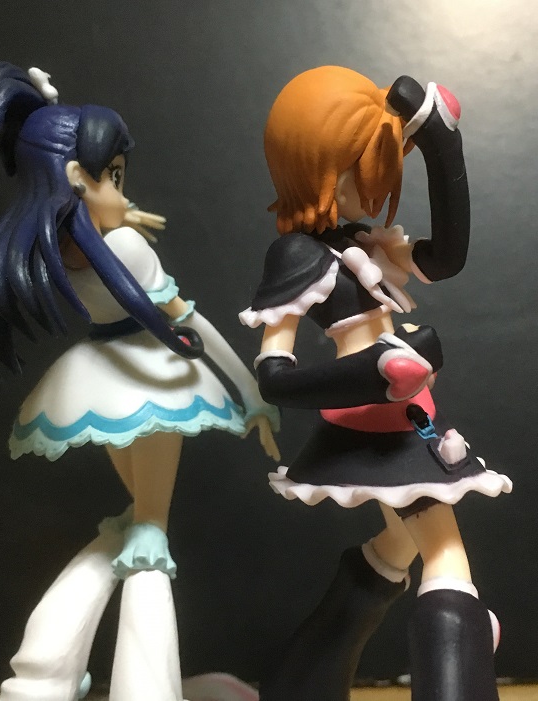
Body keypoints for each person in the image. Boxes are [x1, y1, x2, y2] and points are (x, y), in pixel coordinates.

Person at [0, 61, 279, 701]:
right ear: (77, 179)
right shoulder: (128, 251)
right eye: (111, 175)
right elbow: (189, 320)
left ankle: (42, 670)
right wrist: (250, 393)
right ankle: (142, 688)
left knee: (131, 525)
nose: (121, 189)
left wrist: (117, 213)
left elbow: (103, 249)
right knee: (148, 536)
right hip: (153, 378)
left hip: (97, 381)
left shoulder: (53, 256)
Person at [239, 66, 511, 701]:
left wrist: (443, 145)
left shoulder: (364, 244)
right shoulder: (299, 257)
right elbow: (275, 376)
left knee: (397, 545)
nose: (376, 189)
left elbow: (446, 257)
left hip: (409, 414)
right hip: (377, 428)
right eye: (362, 172)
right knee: (447, 560)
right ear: (318, 171)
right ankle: (459, 649)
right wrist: (373, 375)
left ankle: (301, 681)